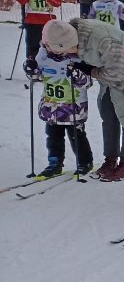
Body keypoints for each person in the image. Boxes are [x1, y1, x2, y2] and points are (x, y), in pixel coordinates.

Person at [52, 15, 124, 183]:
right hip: (111, 71)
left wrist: (91, 71)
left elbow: (119, 75)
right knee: (108, 113)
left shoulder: (102, 40)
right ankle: (110, 160)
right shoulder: (75, 35)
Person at [23, 21, 94, 177]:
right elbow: (38, 76)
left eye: (51, 45)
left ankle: (85, 162)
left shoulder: (77, 59)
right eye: (46, 45)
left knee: (77, 136)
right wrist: (31, 69)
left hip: (73, 108)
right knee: (53, 137)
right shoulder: (42, 56)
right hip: (52, 107)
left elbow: (87, 83)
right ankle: (54, 163)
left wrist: (76, 75)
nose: (48, 48)